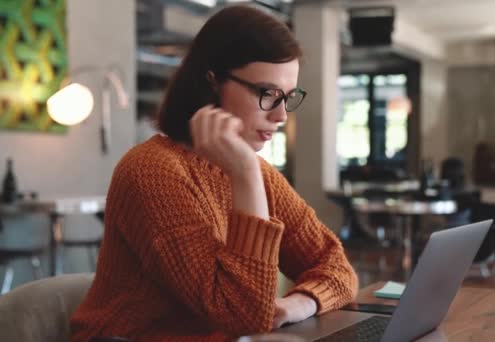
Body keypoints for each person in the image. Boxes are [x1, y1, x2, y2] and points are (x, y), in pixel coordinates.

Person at [70, 5, 358, 341]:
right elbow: (243, 317)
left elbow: (336, 266)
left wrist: (298, 304)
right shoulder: (152, 172)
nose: (281, 115)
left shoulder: (255, 172)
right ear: (212, 82)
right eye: (267, 93)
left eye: (288, 97)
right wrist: (246, 173)